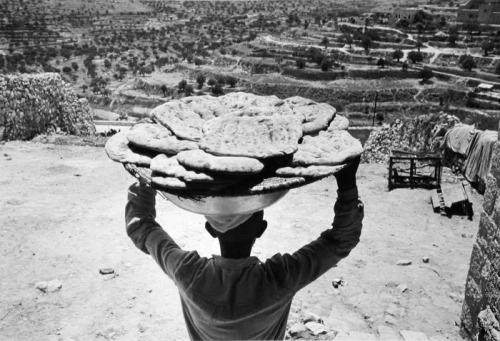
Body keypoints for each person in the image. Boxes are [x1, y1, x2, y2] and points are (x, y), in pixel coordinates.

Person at [125, 157, 364, 340]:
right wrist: (347, 183)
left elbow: (141, 227)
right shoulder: (279, 279)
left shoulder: (188, 273)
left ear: (210, 229)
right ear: (262, 229)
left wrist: (148, 178)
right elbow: (341, 240)